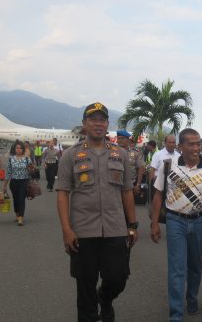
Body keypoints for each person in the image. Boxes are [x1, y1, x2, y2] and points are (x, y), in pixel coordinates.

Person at [54, 102, 138, 322]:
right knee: (85, 284)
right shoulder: (70, 156)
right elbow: (62, 193)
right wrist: (66, 229)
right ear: (84, 124)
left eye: (102, 120)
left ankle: (106, 299)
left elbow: (127, 192)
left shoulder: (120, 155)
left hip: (115, 228)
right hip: (83, 230)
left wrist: (132, 225)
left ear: (108, 124)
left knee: (118, 277)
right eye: (93, 119)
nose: (98, 124)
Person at [150, 128, 202, 322]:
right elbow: (158, 194)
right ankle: (176, 314)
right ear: (180, 147)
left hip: (199, 221)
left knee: (195, 265)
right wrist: (154, 223)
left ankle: (192, 299)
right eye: (191, 144)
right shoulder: (168, 165)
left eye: (199, 143)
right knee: (177, 268)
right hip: (175, 221)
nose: (196, 147)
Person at [3, 140, 33, 226]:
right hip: (14, 182)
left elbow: (32, 169)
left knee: (21, 199)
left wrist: (31, 169)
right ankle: (17, 213)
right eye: (17, 148)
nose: (18, 149)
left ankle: (20, 217)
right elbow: (8, 172)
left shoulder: (27, 158)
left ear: (23, 149)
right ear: (14, 149)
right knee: (15, 199)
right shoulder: (11, 159)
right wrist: (5, 186)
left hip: (24, 181)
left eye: (20, 148)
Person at [116, 130, 145, 195]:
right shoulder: (111, 152)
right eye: (119, 138)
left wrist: (138, 184)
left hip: (131, 183)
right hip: (115, 184)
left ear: (128, 140)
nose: (120, 140)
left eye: (123, 138)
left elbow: (140, 168)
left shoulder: (135, 153)